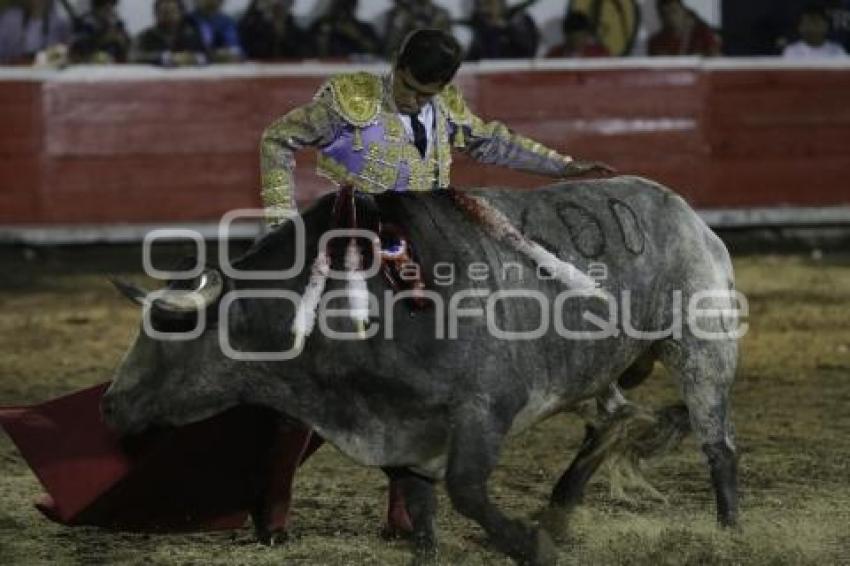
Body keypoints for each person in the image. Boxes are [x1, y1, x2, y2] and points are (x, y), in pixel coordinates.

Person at [258, 28, 613, 541]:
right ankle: (274, 506)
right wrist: (278, 219)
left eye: (427, 92)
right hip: (354, 232)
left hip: (425, 244)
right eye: (409, 86)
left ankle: (401, 510)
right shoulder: (348, 98)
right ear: (396, 63)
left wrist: (560, 166)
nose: (416, 99)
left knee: (421, 378)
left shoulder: (445, 105)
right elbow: (277, 137)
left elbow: (491, 141)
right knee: (313, 369)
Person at [132, 0, 207, 66]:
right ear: (156, 15)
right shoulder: (145, 36)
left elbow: (208, 55)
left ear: (181, 13)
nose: (169, 16)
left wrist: (194, 58)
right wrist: (166, 58)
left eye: (173, 12)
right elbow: (133, 56)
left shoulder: (191, 35)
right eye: (164, 12)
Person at [0, 0, 71, 64]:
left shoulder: (60, 22)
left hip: (46, 72)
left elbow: (65, 53)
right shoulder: (10, 18)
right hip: (13, 72)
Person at [466, 0, 540, 60]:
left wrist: (505, 28)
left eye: (488, 3)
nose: (484, 9)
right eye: (479, 5)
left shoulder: (520, 21)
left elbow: (527, 51)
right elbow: (472, 60)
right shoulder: (482, 29)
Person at [238, 0, 310, 61]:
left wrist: (283, 32)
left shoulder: (293, 25)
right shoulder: (251, 23)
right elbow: (253, 52)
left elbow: (302, 53)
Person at [310, 0, 380, 60]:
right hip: (323, 67)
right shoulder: (321, 26)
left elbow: (376, 51)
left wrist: (356, 35)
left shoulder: (364, 28)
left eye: (347, 5)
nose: (343, 11)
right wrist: (323, 36)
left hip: (355, 69)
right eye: (339, 5)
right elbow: (306, 51)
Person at [648, 0, 720, 57]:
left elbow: (716, 58)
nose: (670, 17)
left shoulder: (703, 33)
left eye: (674, 11)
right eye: (665, 14)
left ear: (684, 11)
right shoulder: (656, 42)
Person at [383, 0, 452, 59]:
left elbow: (449, 45)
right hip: (407, 61)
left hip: (436, 62)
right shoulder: (400, 14)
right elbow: (392, 48)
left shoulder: (440, 14)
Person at [783, 4, 847, 58]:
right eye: (808, 23)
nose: (812, 27)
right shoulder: (791, 51)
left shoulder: (837, 50)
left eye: (816, 22)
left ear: (826, 25)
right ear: (800, 27)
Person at [546, 11, 611, 58]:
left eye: (580, 37)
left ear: (587, 35)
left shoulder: (600, 54)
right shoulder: (554, 55)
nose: (577, 43)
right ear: (566, 36)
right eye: (573, 39)